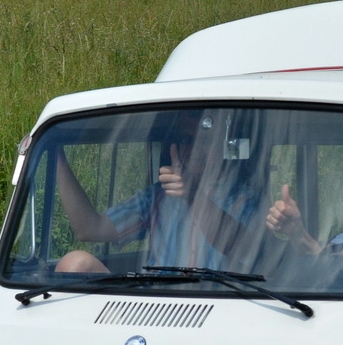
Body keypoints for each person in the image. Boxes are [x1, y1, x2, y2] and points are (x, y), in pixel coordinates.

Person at [53, 111, 259, 274]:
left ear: (221, 145)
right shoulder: (157, 196)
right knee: (76, 263)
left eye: (204, 141)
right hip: (156, 300)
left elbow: (242, 249)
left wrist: (194, 196)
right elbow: (90, 229)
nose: (195, 150)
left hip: (221, 306)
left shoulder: (246, 199)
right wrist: (57, 159)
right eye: (187, 140)